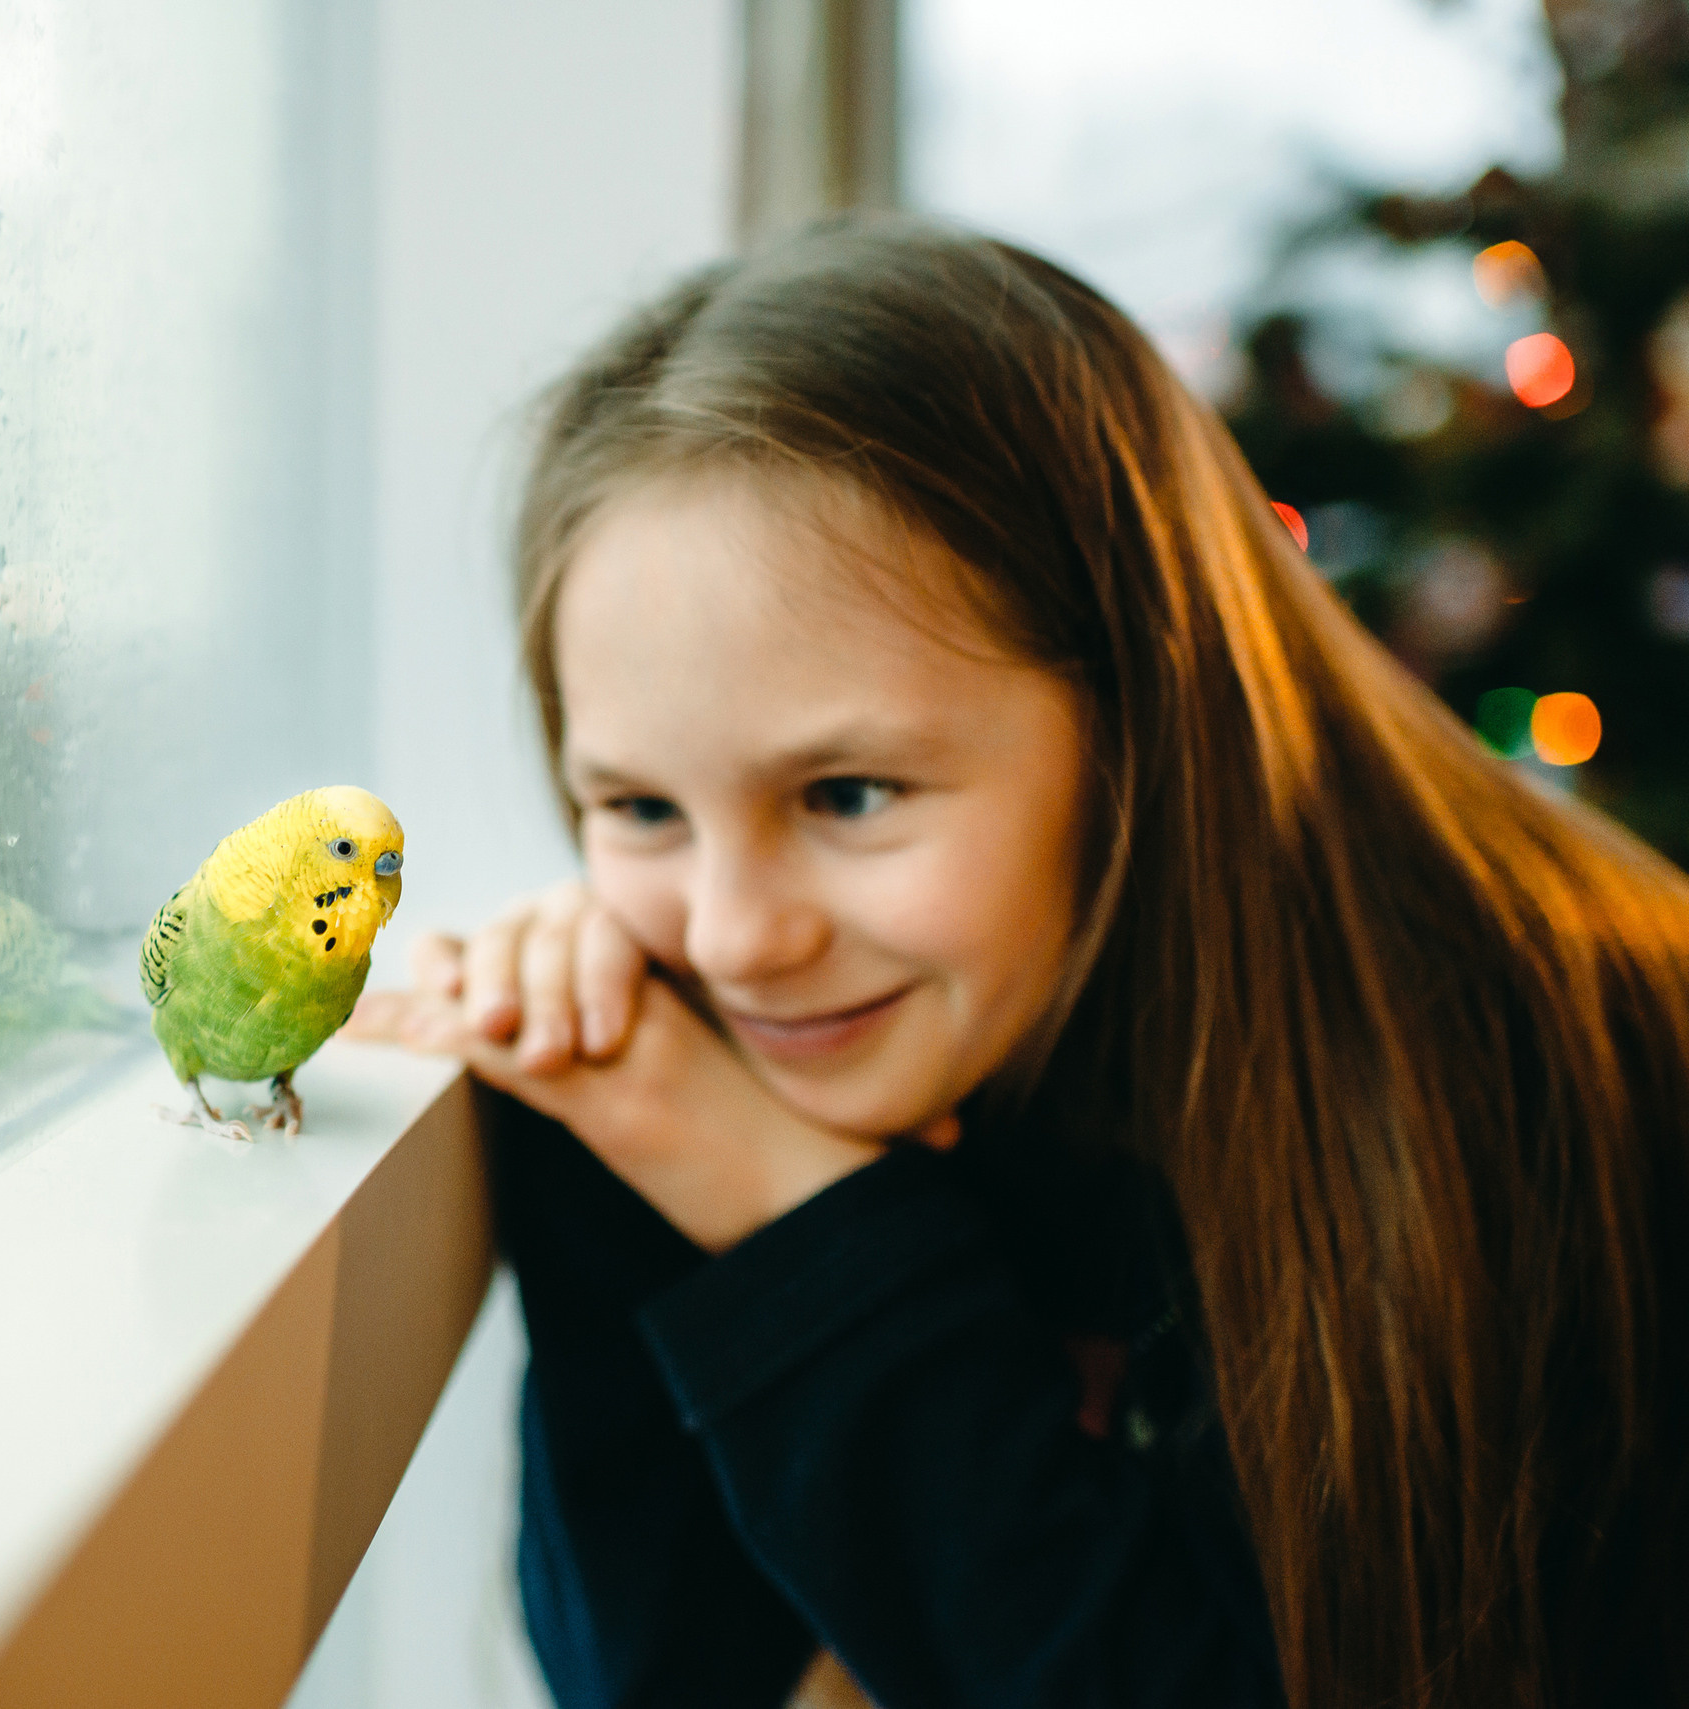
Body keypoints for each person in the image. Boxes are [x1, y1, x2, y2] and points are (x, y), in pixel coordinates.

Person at [344, 215, 1689, 1709]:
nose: (731, 936)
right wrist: (623, 1123)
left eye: (849, 794)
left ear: (1140, 722)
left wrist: (785, 1208)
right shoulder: (747, 1019)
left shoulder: (1527, 1081)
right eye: (641, 808)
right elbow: (664, 1681)